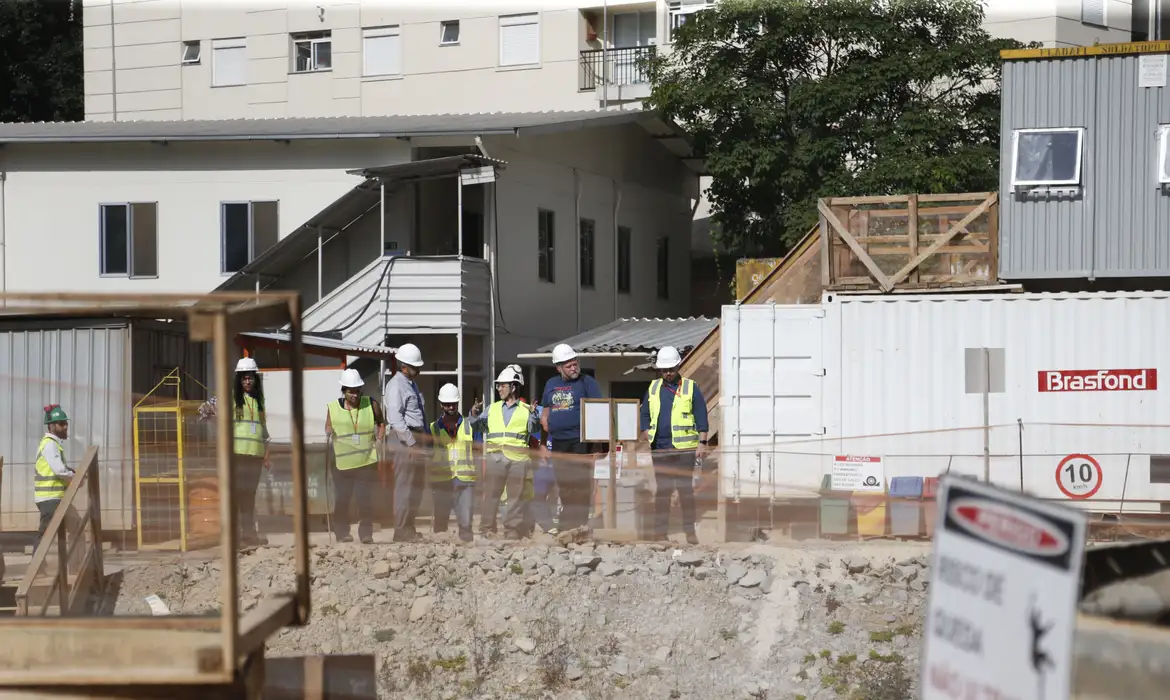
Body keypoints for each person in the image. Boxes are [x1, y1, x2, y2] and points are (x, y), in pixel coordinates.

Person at [641, 346, 708, 545]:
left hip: (684, 449)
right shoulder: (653, 388)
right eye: (664, 370)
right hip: (660, 448)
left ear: (678, 366)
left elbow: (701, 416)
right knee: (663, 491)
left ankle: (690, 532)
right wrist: (646, 432)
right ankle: (660, 533)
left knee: (685, 491)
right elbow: (644, 414)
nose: (668, 373)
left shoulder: (690, 387)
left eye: (671, 369)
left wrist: (702, 442)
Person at [467, 366, 540, 539]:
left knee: (515, 498)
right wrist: (473, 414)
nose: (499, 388)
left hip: (518, 459)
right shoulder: (491, 409)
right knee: (491, 495)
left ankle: (512, 531)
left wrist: (534, 415)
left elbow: (534, 429)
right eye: (498, 385)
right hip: (496, 458)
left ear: (513, 387)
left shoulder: (526, 409)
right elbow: (477, 426)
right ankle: (486, 530)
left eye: (502, 385)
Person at [540, 344, 603, 531]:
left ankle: (577, 524)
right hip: (559, 442)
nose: (574, 368)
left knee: (580, 483)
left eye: (575, 364)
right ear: (558, 367)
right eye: (569, 366)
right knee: (565, 483)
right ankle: (569, 522)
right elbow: (545, 412)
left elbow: (599, 411)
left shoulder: (587, 382)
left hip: (580, 441)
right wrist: (543, 443)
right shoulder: (551, 384)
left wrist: (597, 445)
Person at [325, 368, 387, 544]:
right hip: (342, 463)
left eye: (357, 390)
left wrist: (380, 438)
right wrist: (328, 432)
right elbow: (328, 426)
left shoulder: (371, 404)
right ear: (344, 391)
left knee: (365, 499)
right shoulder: (333, 407)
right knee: (343, 500)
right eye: (350, 391)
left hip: (366, 461)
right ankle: (342, 532)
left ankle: (366, 533)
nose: (354, 395)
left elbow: (381, 423)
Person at [384, 342, 427, 542]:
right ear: (404, 366)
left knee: (416, 487)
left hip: (416, 438)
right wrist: (411, 444)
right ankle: (400, 529)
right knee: (405, 486)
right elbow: (396, 419)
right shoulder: (395, 386)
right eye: (414, 366)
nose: (418, 369)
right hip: (405, 440)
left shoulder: (411, 384)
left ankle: (409, 526)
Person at [428, 383, 481, 542]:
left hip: (465, 480)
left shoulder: (469, 425)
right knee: (440, 520)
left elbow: (478, 449)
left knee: (465, 522)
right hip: (442, 480)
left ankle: (466, 554)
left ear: (457, 403)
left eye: (453, 403)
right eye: (447, 404)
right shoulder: (433, 428)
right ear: (441, 405)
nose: (450, 406)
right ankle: (439, 552)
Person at [232, 358, 271, 547]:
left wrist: (266, 454)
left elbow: (263, 429)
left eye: (250, 378)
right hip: (238, 454)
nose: (247, 382)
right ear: (239, 380)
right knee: (239, 494)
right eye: (244, 378)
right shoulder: (232, 399)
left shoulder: (259, 401)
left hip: (255, 455)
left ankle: (248, 534)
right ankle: (238, 535)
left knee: (249, 495)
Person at [34, 404, 74, 548]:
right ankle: (38, 568)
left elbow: (59, 469)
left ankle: (76, 563)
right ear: (51, 426)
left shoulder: (53, 445)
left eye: (66, 423)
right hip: (50, 498)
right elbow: (59, 471)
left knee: (76, 525)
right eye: (61, 424)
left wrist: (70, 472)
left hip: (56, 497)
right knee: (45, 535)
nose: (65, 427)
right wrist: (74, 478)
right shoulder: (50, 445)